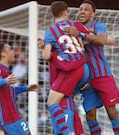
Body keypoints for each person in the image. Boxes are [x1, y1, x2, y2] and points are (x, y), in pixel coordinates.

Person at [64, 0, 119, 134]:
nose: (82, 11)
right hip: (86, 79)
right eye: (80, 9)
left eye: (86, 9)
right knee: (90, 114)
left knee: (111, 111)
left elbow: (101, 40)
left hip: (102, 74)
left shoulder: (98, 26)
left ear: (92, 14)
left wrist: (81, 35)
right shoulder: (74, 27)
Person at [43, 1, 92, 135]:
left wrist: (46, 49)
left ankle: (67, 132)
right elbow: (90, 35)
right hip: (85, 70)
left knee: (52, 102)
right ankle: (78, 131)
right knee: (68, 98)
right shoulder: (75, 25)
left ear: (53, 14)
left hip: (71, 70)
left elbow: (47, 56)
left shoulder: (50, 31)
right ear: (66, 12)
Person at [0, 42, 38, 135]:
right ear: (3, 54)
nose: (13, 52)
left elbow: (10, 91)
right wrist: (5, 81)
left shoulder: (7, 71)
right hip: (9, 117)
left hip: (11, 116)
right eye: (10, 50)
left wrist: (26, 88)